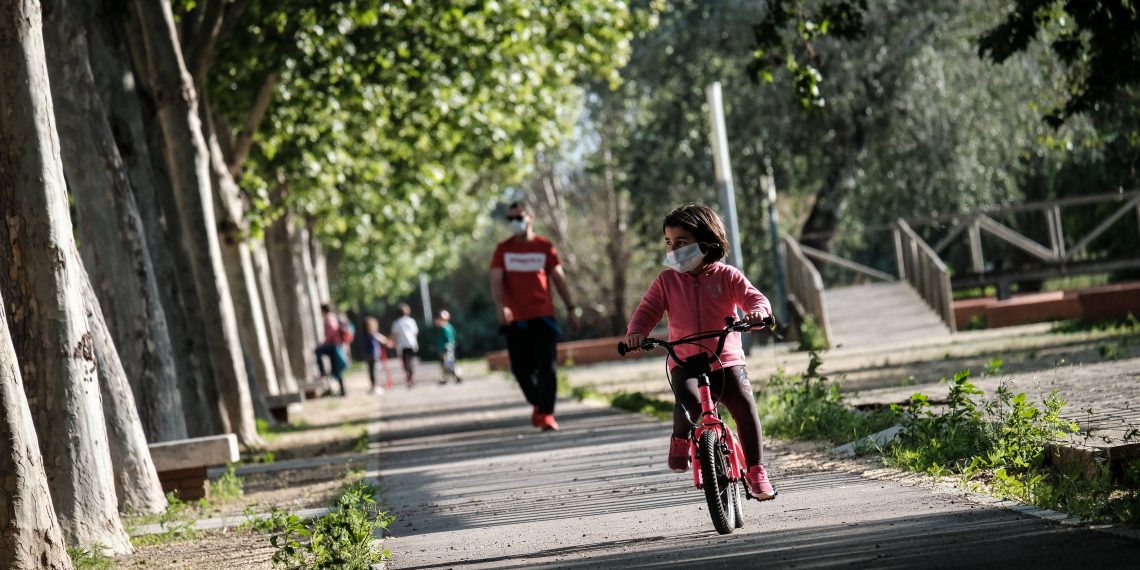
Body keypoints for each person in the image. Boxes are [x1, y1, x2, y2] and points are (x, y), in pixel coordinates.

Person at [623, 203, 777, 501]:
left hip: (726, 360)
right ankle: (680, 439)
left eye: (682, 243)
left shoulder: (727, 276)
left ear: (706, 242)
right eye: (669, 242)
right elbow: (647, 312)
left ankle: (757, 470)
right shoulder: (666, 282)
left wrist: (758, 313)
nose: (673, 249)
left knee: (744, 405)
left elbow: (753, 298)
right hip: (683, 360)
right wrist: (636, 334)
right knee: (688, 403)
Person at [490, 200, 579, 431]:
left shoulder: (544, 246)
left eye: (519, 217)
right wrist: (501, 306)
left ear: (531, 217)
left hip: (543, 316)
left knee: (546, 367)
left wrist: (570, 308)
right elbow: (496, 280)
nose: (514, 223)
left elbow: (558, 278)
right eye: (510, 219)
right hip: (514, 319)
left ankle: (547, 414)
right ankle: (539, 404)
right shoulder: (503, 249)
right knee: (521, 369)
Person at [315, 303, 348, 396]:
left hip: (334, 346)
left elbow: (332, 331)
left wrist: (325, 342)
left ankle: (322, 372)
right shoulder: (333, 317)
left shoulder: (329, 318)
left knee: (318, 350)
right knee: (336, 368)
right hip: (335, 345)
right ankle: (342, 390)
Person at [390, 303, 419, 388]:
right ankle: (411, 377)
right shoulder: (411, 321)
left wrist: (392, 341)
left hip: (402, 345)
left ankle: (409, 377)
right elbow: (415, 332)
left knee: (406, 362)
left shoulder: (396, 323)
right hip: (411, 343)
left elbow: (394, 334)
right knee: (411, 361)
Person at [363, 317, 394, 395]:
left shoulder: (365, 334)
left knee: (371, 370)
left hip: (368, 354)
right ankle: (374, 387)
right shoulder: (373, 333)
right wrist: (388, 342)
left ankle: (373, 386)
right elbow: (382, 339)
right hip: (373, 354)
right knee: (373, 371)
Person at [435, 310, 462, 385]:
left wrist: (447, 347)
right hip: (444, 348)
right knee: (445, 364)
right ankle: (445, 378)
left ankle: (457, 376)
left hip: (446, 348)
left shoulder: (445, 327)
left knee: (449, 363)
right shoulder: (446, 327)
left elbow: (449, 339)